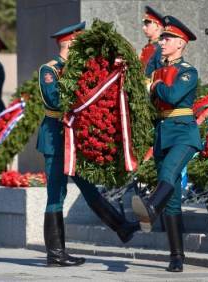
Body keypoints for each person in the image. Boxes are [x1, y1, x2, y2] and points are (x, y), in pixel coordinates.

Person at [37, 22, 140, 267]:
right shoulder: (49, 70)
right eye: (79, 44)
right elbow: (54, 101)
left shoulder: (80, 69)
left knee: (89, 188)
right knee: (56, 195)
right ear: (70, 44)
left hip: (75, 139)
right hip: (55, 139)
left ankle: (121, 227)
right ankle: (55, 253)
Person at [131, 15, 202, 272]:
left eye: (167, 38)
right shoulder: (156, 69)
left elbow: (172, 96)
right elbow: (145, 96)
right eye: (162, 38)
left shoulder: (188, 72)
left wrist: (156, 84)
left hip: (184, 134)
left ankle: (150, 206)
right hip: (163, 134)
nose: (162, 42)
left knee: (169, 172)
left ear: (181, 44)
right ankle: (176, 257)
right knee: (171, 200)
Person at [140, 6, 164, 77]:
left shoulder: (161, 48)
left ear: (157, 26)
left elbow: (161, 74)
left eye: (147, 25)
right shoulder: (149, 46)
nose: (143, 28)